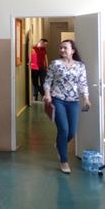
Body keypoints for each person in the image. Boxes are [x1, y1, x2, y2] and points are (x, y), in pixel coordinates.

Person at [43, 39, 91, 174]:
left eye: (65, 48)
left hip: (73, 101)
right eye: (61, 48)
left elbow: (83, 83)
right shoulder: (55, 64)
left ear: (73, 51)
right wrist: (47, 95)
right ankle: (64, 161)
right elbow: (47, 81)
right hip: (58, 99)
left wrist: (86, 99)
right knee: (63, 130)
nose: (62, 50)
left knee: (71, 132)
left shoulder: (80, 66)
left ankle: (60, 144)